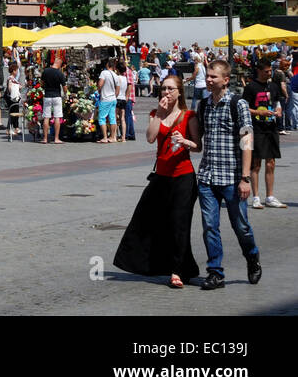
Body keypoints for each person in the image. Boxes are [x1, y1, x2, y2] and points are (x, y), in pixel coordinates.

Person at [113, 74, 201, 288]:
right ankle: (169, 265)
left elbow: (198, 146)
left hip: (183, 177)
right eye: (163, 88)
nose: (166, 92)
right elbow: (151, 137)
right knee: (148, 220)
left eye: (171, 89)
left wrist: (185, 141)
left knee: (179, 224)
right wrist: (160, 114)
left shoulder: (189, 116)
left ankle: (177, 271)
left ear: (180, 92)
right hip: (161, 176)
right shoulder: (156, 113)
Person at [196, 59, 261, 289]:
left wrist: (245, 179)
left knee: (240, 226)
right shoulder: (203, 105)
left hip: (233, 179)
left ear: (225, 80)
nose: (209, 79)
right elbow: (197, 141)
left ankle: (252, 256)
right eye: (208, 75)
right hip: (207, 178)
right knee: (210, 227)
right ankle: (215, 272)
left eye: (214, 76)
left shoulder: (238, 104)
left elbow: (247, 142)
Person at [243, 59, 286, 209]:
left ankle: (270, 196)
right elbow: (245, 108)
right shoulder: (250, 87)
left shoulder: (273, 86)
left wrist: (278, 109)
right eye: (267, 71)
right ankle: (256, 197)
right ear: (259, 71)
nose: (269, 73)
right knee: (256, 164)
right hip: (257, 128)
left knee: (271, 162)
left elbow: (277, 102)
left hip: (271, 127)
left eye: (270, 71)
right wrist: (259, 112)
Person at [40, 53, 67, 145]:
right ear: (59, 64)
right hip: (56, 96)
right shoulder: (60, 73)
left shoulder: (45, 71)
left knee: (46, 117)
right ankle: (56, 138)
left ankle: (45, 138)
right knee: (57, 117)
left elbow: (42, 83)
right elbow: (64, 87)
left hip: (47, 95)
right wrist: (65, 94)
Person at [97, 58, 121, 143]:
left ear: (107, 65)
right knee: (112, 118)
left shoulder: (104, 73)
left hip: (105, 98)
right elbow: (118, 90)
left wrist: (99, 91)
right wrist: (114, 96)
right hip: (113, 99)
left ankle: (104, 137)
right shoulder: (116, 75)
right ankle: (113, 137)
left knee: (102, 118)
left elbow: (100, 84)